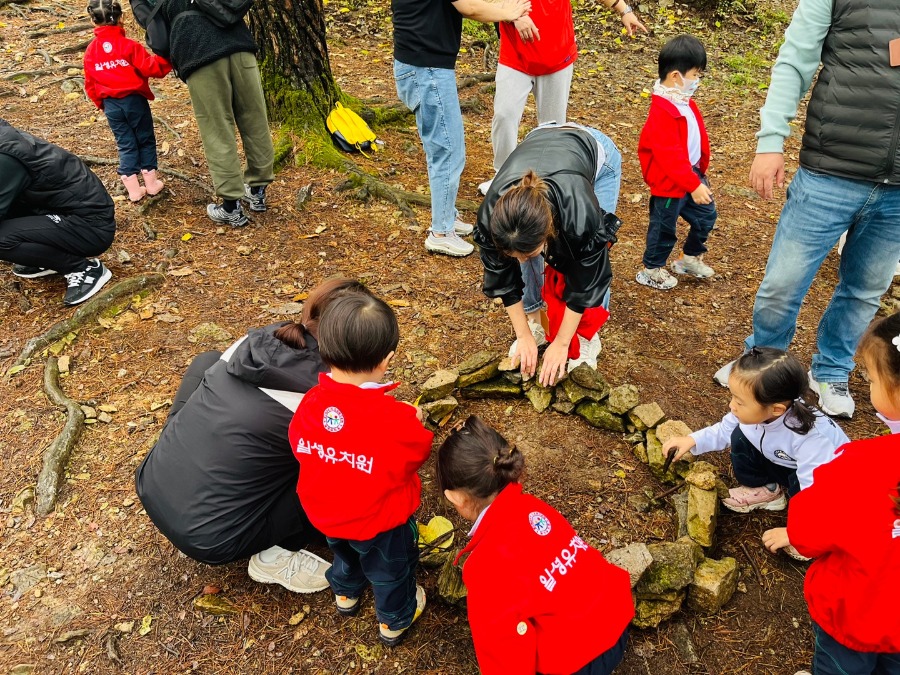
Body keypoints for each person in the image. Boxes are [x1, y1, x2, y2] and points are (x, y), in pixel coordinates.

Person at [714, 0, 900, 419]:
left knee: (866, 289)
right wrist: (770, 140)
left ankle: (831, 369)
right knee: (784, 282)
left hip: (898, 191)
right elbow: (794, 63)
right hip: (829, 171)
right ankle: (762, 362)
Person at [135, 278, 372, 593]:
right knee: (339, 473)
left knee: (208, 363)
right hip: (212, 537)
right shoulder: (325, 399)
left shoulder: (262, 339)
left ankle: (187, 459)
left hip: (152, 481)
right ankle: (275, 555)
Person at [288, 293, 433, 646]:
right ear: (387, 359)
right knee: (391, 572)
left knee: (344, 555)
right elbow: (417, 453)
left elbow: (298, 445)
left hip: (327, 515)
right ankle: (394, 619)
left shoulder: (310, 403)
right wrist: (415, 420)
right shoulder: (393, 419)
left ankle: (346, 594)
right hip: (380, 523)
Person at [436, 415, 634, 675]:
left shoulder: (484, 566)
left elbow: (503, 650)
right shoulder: (534, 508)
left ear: (455, 498)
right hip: (617, 617)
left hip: (580, 661)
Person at [764, 311, 900, 675]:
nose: (868, 387)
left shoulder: (859, 465)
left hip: (853, 613)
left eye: (870, 378)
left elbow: (808, 534)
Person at [474, 122, 622, 386]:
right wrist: (523, 335)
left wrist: (563, 343)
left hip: (594, 154)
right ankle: (536, 320)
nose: (519, 260)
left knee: (590, 253)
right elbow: (502, 278)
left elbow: (589, 277)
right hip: (540, 140)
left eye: (529, 251)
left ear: (549, 230)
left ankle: (587, 336)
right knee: (523, 253)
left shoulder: (580, 216)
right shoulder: (491, 216)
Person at [664, 347, 849, 559]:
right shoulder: (757, 410)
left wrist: (797, 533)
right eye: (732, 397)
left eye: (739, 401)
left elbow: (816, 494)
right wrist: (692, 440)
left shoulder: (812, 439)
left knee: (806, 491)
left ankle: (810, 537)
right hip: (783, 460)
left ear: (776, 409)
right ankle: (769, 490)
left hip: (826, 484)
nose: (731, 406)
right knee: (739, 436)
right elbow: (724, 430)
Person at [392, 0, 531, 257]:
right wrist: (508, 14)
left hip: (421, 65)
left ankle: (446, 216)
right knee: (448, 151)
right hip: (427, 69)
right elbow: (470, 7)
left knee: (442, 148)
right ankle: (441, 232)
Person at [479, 0, 645, 196]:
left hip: (557, 56)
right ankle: (503, 177)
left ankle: (548, 182)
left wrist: (624, 10)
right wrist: (514, 15)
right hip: (515, 56)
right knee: (504, 115)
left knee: (553, 127)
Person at [157, 0, 274, 226]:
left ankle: (231, 207)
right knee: (255, 120)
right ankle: (257, 191)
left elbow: (156, 33)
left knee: (217, 128)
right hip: (241, 49)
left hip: (200, 54)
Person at [0, 119, 115, 306]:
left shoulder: (5, 156)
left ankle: (83, 269)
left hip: (89, 225)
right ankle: (44, 257)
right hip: (55, 211)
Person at [636, 34, 716, 291]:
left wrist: (697, 174)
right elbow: (669, 156)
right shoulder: (662, 111)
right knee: (664, 227)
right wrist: (693, 184)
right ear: (675, 76)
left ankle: (689, 258)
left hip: (690, 175)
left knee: (706, 215)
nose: (697, 81)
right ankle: (652, 268)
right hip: (671, 182)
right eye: (694, 74)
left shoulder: (682, 102)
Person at [83, 0, 171, 202]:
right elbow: (151, 68)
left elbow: (90, 83)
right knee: (145, 138)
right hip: (134, 102)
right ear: (122, 18)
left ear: (92, 22)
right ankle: (151, 184)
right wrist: (167, 59)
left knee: (125, 143)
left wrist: (101, 104)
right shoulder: (129, 46)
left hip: (111, 106)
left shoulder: (91, 52)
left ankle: (133, 189)